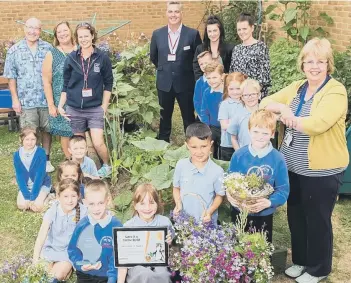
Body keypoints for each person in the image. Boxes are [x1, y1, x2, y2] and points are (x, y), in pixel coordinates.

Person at [260, 38, 348, 283]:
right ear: (302, 64)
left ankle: (319, 269)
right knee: (296, 215)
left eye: (320, 61)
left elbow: (319, 123)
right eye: (309, 61)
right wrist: (282, 107)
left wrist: (290, 118)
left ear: (328, 64)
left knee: (317, 219)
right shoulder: (298, 87)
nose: (314, 66)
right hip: (292, 167)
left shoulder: (335, 90)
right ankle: (301, 261)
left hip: (322, 169)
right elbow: (265, 102)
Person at [58, 22, 113, 178]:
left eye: (86, 36)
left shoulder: (102, 58)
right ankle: (81, 172)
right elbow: (66, 85)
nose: (83, 39)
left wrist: (104, 106)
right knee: (79, 146)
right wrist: (61, 105)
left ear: (92, 36)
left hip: (95, 108)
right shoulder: (71, 59)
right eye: (80, 36)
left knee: (97, 142)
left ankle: (107, 165)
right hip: (75, 109)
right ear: (77, 38)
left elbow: (109, 83)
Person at [227, 109, 289, 243]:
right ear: (249, 130)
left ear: (272, 134)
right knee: (237, 248)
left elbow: (283, 190)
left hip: (263, 215)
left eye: (265, 133)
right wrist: (230, 196)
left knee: (260, 251)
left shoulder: (278, 159)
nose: (260, 136)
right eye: (256, 131)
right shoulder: (238, 155)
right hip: (239, 211)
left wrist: (269, 202)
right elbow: (229, 181)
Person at [4, 17, 55, 172]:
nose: (33, 31)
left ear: (40, 31)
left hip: (46, 99)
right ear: (24, 28)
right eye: (30, 27)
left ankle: (46, 159)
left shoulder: (48, 48)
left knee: (47, 130)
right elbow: (11, 77)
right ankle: (33, 160)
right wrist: (15, 99)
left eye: (36, 28)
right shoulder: (14, 51)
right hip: (26, 100)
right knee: (29, 133)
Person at [150, 1, 202, 142]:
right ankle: (163, 143)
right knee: (164, 116)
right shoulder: (157, 34)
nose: (173, 15)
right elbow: (154, 57)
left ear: (182, 14)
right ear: (166, 13)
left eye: (176, 12)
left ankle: (192, 143)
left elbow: (198, 58)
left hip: (185, 83)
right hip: (164, 82)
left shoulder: (192, 34)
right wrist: (166, 69)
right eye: (171, 11)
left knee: (188, 116)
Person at [33, 179, 87, 283]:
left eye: (73, 196)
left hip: (67, 253)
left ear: (79, 196)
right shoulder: (53, 211)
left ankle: (65, 271)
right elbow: (41, 237)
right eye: (66, 196)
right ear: (58, 197)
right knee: (42, 273)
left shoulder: (83, 212)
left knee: (56, 275)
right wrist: (35, 260)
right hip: (51, 249)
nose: (70, 200)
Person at [68, 180, 123, 283]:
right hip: (85, 275)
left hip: (107, 276)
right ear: (85, 203)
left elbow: (118, 256)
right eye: (92, 204)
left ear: (107, 201)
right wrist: (81, 265)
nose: (96, 208)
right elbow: (73, 250)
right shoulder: (81, 226)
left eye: (100, 203)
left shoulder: (116, 226)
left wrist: (112, 279)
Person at [117, 183, 173, 283]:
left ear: (157, 204)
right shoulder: (128, 226)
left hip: (158, 263)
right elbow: (123, 259)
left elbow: (171, 242)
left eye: (151, 202)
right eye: (142, 203)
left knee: (164, 274)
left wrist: (169, 241)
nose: (147, 208)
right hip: (136, 267)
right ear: (135, 205)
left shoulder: (165, 222)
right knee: (145, 274)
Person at [173, 122, 224, 224]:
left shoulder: (217, 171)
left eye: (204, 146)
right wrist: (178, 204)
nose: (199, 151)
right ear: (187, 145)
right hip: (184, 221)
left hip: (206, 222)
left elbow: (220, 195)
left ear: (211, 144)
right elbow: (176, 188)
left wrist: (210, 211)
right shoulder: (181, 165)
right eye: (194, 147)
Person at [42, 21, 76, 159]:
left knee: (80, 131)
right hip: (60, 100)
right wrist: (51, 104)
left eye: (65, 30)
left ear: (70, 31)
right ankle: (71, 162)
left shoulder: (79, 49)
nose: (63, 34)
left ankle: (82, 160)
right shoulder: (52, 54)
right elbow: (46, 81)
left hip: (80, 99)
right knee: (65, 132)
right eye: (59, 31)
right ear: (56, 35)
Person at [229, 13, 271, 98]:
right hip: (238, 95)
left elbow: (264, 77)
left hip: (255, 95)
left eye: (244, 29)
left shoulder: (261, 47)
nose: (241, 32)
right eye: (239, 29)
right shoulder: (236, 49)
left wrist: (250, 93)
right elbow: (232, 73)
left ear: (252, 28)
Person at [13, 126, 51, 212]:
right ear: (22, 139)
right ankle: (31, 198)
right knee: (22, 205)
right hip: (27, 186)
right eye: (27, 139)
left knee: (37, 207)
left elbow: (39, 176)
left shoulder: (41, 152)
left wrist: (33, 197)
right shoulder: (17, 155)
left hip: (41, 184)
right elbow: (19, 176)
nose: (30, 142)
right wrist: (27, 196)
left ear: (36, 140)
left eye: (33, 139)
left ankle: (49, 197)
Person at [193, 15, 234, 81]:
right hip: (205, 87)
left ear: (220, 31)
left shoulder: (229, 49)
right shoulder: (200, 49)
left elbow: (232, 71)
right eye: (209, 31)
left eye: (215, 30)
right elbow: (197, 70)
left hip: (224, 86)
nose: (212, 34)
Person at [218, 72, 246, 161]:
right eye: (231, 89)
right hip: (228, 145)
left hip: (244, 144)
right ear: (227, 89)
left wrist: (231, 121)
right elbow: (224, 125)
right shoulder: (224, 104)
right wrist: (240, 122)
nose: (235, 92)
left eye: (238, 88)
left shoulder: (247, 103)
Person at [200, 62, 225, 159]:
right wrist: (207, 128)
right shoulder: (207, 92)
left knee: (223, 151)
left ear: (222, 76)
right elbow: (204, 111)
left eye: (214, 77)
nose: (211, 81)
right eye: (208, 78)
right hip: (212, 127)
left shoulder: (227, 92)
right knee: (208, 145)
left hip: (226, 128)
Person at [227, 78, 261, 150]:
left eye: (253, 94)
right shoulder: (237, 114)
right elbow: (233, 138)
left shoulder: (264, 112)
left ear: (259, 95)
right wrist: (239, 153)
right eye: (246, 95)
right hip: (245, 154)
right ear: (242, 97)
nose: (250, 97)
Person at [193, 51, 212, 120]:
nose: (204, 65)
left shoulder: (220, 80)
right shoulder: (199, 83)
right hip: (203, 117)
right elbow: (196, 101)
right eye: (201, 64)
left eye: (206, 63)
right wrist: (202, 116)